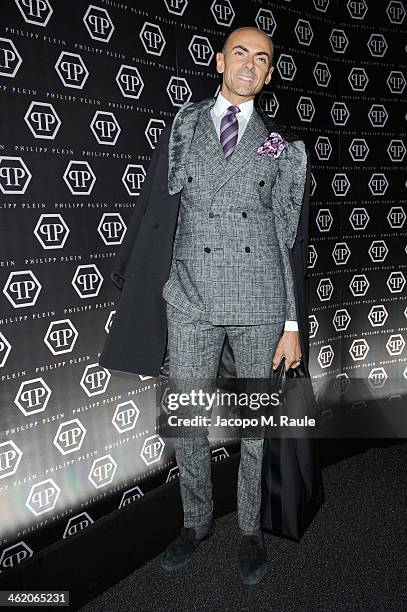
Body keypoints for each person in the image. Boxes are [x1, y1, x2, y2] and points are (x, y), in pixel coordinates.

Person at [99, 26, 310, 586]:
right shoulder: (184, 124)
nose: (249, 63)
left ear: (268, 75)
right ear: (220, 61)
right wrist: (141, 275)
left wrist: (291, 322)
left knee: (255, 424)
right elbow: (157, 207)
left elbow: (288, 240)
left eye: (262, 58)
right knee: (187, 420)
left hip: (261, 301)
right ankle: (196, 522)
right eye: (240, 52)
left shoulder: (284, 149)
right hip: (189, 296)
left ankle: (247, 528)